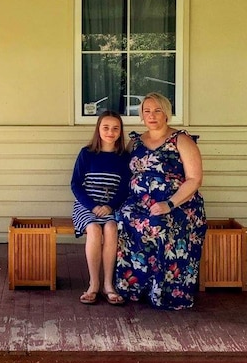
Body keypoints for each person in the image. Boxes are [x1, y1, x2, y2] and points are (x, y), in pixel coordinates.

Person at [115, 92, 207, 309]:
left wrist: (169, 204)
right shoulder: (135, 142)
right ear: (141, 116)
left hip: (179, 204)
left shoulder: (181, 140)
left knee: (158, 225)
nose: (152, 115)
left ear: (166, 113)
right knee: (124, 218)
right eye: (147, 111)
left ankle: (165, 292)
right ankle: (134, 288)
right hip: (139, 203)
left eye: (157, 110)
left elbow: (195, 179)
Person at [70, 111, 131, 305]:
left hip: (111, 206)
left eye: (115, 128)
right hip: (86, 205)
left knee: (112, 228)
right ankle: (93, 284)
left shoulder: (123, 158)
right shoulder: (87, 154)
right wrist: (93, 206)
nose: (110, 132)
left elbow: (124, 188)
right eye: (106, 127)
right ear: (98, 129)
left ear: (120, 132)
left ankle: (108, 285)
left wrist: (110, 206)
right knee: (94, 229)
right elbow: (75, 184)